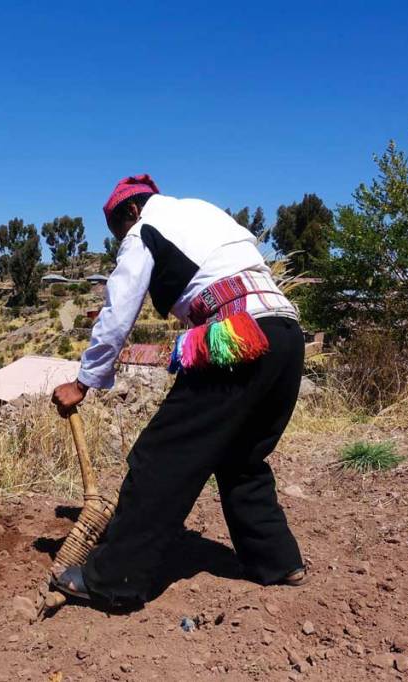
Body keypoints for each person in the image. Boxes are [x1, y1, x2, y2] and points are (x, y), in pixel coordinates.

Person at [50, 174, 307, 605]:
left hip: (237, 335)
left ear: (131, 211)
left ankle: (113, 579)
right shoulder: (201, 211)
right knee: (242, 458)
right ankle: (278, 562)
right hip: (286, 334)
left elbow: (117, 313)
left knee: (161, 457)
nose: (121, 240)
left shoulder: (144, 229)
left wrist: (83, 382)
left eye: (119, 231)